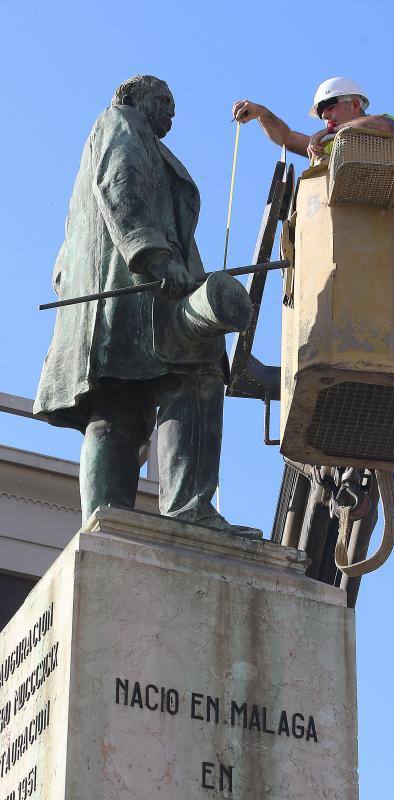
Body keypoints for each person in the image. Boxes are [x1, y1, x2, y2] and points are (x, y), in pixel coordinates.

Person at [34, 75, 250, 532]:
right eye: (164, 101)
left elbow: (64, 261)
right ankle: (190, 509)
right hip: (144, 291)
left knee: (118, 406)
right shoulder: (123, 121)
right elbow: (122, 185)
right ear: (133, 96)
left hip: (110, 306)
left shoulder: (99, 144)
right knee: (197, 373)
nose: (171, 112)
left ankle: (104, 526)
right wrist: (156, 257)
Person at [232, 77, 394, 161]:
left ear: (355, 105)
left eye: (330, 107)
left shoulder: (382, 122)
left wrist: (329, 131)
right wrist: (261, 113)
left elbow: (385, 126)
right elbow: (286, 138)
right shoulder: (325, 146)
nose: (325, 116)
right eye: (320, 113)